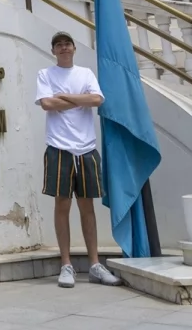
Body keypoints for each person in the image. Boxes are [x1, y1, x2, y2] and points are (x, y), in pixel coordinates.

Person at [35, 30, 122, 288]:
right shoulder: (45, 74)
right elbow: (47, 104)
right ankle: (66, 264)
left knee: (88, 208)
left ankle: (95, 264)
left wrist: (66, 97)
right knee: (62, 206)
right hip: (58, 148)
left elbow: (96, 99)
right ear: (53, 51)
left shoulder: (85, 73)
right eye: (58, 45)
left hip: (86, 148)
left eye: (67, 44)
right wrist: (79, 100)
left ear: (74, 48)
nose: (63, 48)